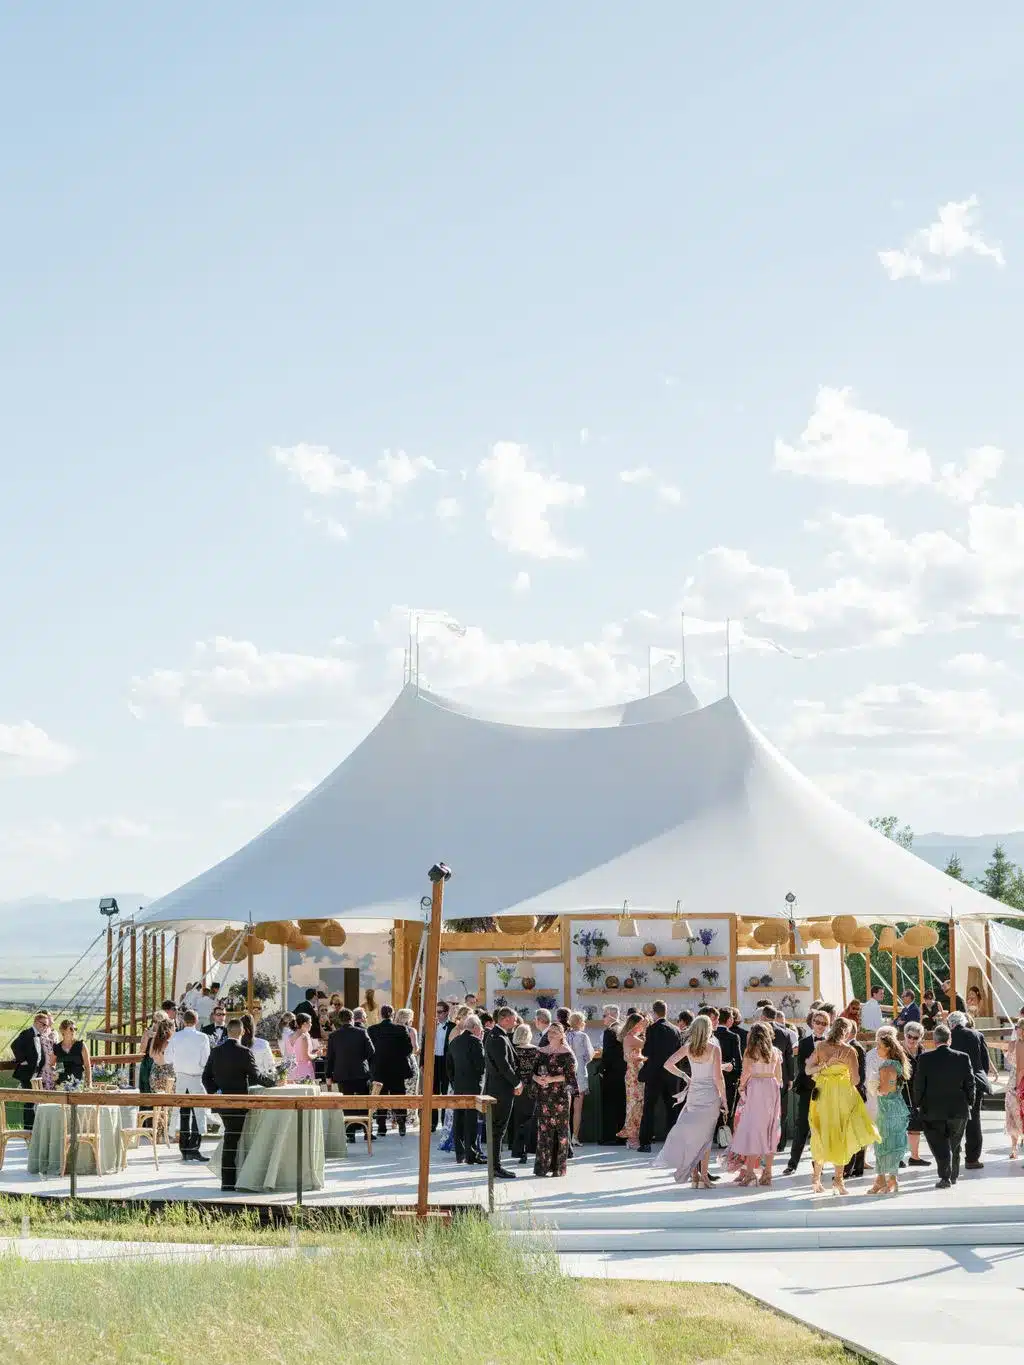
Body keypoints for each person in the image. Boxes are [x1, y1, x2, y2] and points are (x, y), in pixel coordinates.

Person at [807, 1017, 878, 1196]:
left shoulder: (821, 1047)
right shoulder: (849, 1051)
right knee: (842, 1133)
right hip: (843, 1095)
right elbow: (855, 1079)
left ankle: (816, 1179)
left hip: (822, 1094)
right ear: (846, 1032)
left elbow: (808, 1070)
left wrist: (825, 1066)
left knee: (821, 1132)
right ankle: (838, 1181)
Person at [655, 1015, 727, 1188]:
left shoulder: (689, 1048)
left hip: (694, 1094)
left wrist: (686, 1077)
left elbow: (668, 1064)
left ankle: (695, 1176)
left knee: (693, 1136)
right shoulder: (714, 1048)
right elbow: (718, 1077)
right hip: (710, 1094)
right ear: (709, 1030)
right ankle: (704, 1177)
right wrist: (724, 1099)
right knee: (706, 1137)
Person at [913, 1022, 975, 1188]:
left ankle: (945, 1177)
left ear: (934, 1041)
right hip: (958, 1108)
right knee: (955, 1144)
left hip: (932, 1109)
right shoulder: (963, 1057)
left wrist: (917, 1103)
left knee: (939, 1144)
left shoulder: (924, 1059)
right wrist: (970, 1102)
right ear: (950, 1040)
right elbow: (970, 1083)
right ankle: (953, 1175)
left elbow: (919, 1084)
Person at [201, 1018, 259, 1191]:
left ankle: (229, 1179)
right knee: (231, 1140)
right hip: (238, 1103)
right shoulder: (244, 1052)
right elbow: (256, 1077)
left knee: (230, 1138)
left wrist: (216, 1092)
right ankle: (228, 1181)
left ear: (227, 1031)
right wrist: (274, 1082)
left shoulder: (216, 1051)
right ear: (242, 1032)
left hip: (222, 1102)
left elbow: (206, 1077)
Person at [728, 1021, 783, 1187]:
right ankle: (768, 1173)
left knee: (753, 1129)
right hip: (771, 1088)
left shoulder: (750, 1052)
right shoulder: (775, 1051)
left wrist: (741, 1088)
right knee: (771, 1129)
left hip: (756, 1088)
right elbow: (779, 1077)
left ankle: (750, 1172)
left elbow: (745, 1074)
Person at [784, 1009, 829, 1176]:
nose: (820, 1026)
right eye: (817, 1022)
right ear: (812, 1023)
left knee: (821, 1128)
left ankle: (819, 1165)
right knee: (801, 1126)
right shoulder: (803, 1043)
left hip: (825, 1090)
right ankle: (792, 1163)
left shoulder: (831, 1043)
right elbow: (802, 1069)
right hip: (807, 1090)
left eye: (824, 1023)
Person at [532, 1021, 578, 1177]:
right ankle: (542, 1167)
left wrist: (552, 1079)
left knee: (561, 1132)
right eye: (550, 1032)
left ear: (562, 1035)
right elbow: (530, 1072)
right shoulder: (540, 1051)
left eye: (555, 1032)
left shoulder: (567, 1053)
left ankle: (558, 1168)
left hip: (561, 1097)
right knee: (543, 1131)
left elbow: (571, 1077)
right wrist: (537, 1079)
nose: (551, 1034)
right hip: (544, 1095)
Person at [948, 1010, 991, 1170]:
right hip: (975, 1081)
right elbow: (984, 1063)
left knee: (953, 1120)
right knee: (974, 1120)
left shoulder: (949, 1036)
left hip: (953, 1084)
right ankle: (972, 1159)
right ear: (964, 1022)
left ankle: (952, 1158)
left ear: (950, 1024)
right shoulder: (977, 1035)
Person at [165, 1009, 211, 1163]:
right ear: (196, 1021)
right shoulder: (202, 1037)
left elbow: (168, 1058)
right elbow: (206, 1060)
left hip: (181, 1077)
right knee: (198, 1113)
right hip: (196, 1077)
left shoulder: (176, 1037)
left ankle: (184, 1148)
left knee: (183, 1114)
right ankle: (193, 1148)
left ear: (184, 1021)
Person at [483, 1006, 523, 1180]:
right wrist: (517, 1082)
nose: (515, 1022)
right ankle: (496, 1167)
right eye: (514, 1019)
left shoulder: (497, 1035)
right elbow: (503, 1065)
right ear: (505, 1019)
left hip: (498, 1088)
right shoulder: (498, 1037)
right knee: (498, 1129)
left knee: (497, 1129)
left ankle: (495, 1165)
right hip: (500, 1090)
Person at [637, 1001, 681, 1153]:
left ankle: (645, 1143)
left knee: (649, 1108)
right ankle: (673, 1142)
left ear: (654, 1012)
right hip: (670, 1074)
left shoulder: (651, 1029)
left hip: (654, 1074)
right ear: (666, 1011)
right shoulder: (675, 1030)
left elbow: (647, 1051)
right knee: (672, 1108)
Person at [871, 1027, 910, 1194]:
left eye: (879, 1046)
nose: (877, 1049)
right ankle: (881, 1179)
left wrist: (874, 1087)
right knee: (886, 1143)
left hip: (889, 1109)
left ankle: (891, 1180)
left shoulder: (888, 1065)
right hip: (895, 1107)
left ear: (887, 1048)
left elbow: (887, 1089)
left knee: (886, 1143)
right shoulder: (896, 1063)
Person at [369, 1003, 415, 1137]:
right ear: (393, 1015)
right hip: (397, 1069)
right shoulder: (401, 1029)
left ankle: (382, 1126)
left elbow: (370, 1051)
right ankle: (401, 1124)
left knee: (381, 1097)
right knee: (399, 1096)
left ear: (380, 1015)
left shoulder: (372, 1030)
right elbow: (408, 1049)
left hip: (379, 1069)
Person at [446, 1013, 486, 1163]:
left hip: (458, 1086)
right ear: (475, 1028)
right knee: (471, 1120)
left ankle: (460, 1153)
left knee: (459, 1119)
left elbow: (448, 1067)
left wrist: (454, 1082)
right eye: (480, 1028)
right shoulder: (476, 1042)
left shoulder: (454, 1042)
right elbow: (481, 1066)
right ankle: (471, 1154)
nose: (481, 1031)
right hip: (473, 1086)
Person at [760, 1005, 795, 1151]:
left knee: (764, 1110)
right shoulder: (785, 1033)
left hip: (762, 1076)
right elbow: (789, 1057)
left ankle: (765, 1141)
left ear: (763, 1016)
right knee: (782, 1110)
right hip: (782, 1077)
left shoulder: (759, 1032)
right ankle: (781, 1142)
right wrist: (791, 1077)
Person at [11, 1011, 52, 1128]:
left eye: (47, 1025)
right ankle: (28, 1128)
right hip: (26, 1074)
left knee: (34, 1101)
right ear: (35, 1022)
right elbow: (14, 1045)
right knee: (29, 1101)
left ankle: (33, 1127)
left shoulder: (39, 1035)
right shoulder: (27, 1033)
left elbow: (38, 1054)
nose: (45, 1027)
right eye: (43, 1024)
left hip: (35, 1073)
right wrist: (22, 1060)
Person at [509, 1022, 540, 1162]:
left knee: (518, 1120)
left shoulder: (513, 1050)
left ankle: (519, 1150)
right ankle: (530, 1147)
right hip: (533, 1087)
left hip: (517, 1088)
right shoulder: (536, 1050)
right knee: (531, 1119)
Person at [901, 1021, 930, 1167]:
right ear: (905, 1035)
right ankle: (898, 1157)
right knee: (899, 1126)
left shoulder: (921, 1050)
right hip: (901, 1091)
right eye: (909, 1036)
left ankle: (915, 1157)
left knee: (915, 1126)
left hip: (917, 1092)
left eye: (915, 1038)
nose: (912, 1040)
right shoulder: (898, 1051)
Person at [597, 1006, 627, 1145]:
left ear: (611, 1016)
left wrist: (601, 1070)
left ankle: (609, 1136)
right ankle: (622, 1135)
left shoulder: (609, 1031)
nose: (602, 1018)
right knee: (622, 1105)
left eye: (604, 1015)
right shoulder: (624, 1029)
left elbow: (607, 1055)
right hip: (624, 1072)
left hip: (611, 1073)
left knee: (609, 1105)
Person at [424, 1002, 455, 1132]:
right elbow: (424, 1043)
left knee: (445, 1093)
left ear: (447, 1012)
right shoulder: (431, 1025)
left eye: (440, 1012)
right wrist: (423, 1063)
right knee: (432, 1092)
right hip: (433, 1061)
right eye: (436, 1012)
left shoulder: (453, 1027)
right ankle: (433, 1122)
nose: (437, 1015)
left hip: (446, 1062)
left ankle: (444, 1121)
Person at [617, 1012, 646, 1148]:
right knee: (634, 1105)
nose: (642, 1026)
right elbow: (646, 1045)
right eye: (641, 1024)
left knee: (638, 1105)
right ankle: (632, 1138)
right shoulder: (630, 1038)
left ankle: (634, 1136)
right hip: (633, 1074)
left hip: (636, 1073)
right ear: (635, 1024)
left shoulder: (631, 1037)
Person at [565, 1012, 594, 1144]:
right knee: (577, 1108)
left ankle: (564, 1136)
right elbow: (589, 1055)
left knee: (565, 1107)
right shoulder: (583, 1036)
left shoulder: (564, 1035)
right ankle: (575, 1137)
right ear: (581, 1022)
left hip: (566, 1073)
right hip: (580, 1072)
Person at [998, 1018, 1024, 1158]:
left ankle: (1014, 1149)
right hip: (1015, 1082)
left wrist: (1017, 1087)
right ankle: (1014, 1148)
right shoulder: (1014, 1043)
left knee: (1014, 1116)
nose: (1015, 1029)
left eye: (1017, 1027)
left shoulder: (1017, 1044)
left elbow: (1020, 1069)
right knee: (1015, 1116)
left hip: (1016, 1083)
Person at [714, 1009, 742, 1121]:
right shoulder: (733, 1036)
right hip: (729, 1077)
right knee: (728, 1109)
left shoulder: (711, 1034)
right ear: (729, 1020)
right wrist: (738, 1076)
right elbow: (738, 1059)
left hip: (711, 1076)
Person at [52, 1020, 92, 1087]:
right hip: (61, 1084)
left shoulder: (80, 1045)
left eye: (75, 1029)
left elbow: (87, 1066)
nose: (73, 1031)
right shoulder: (57, 1047)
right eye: (71, 1029)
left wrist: (89, 1083)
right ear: (63, 1030)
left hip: (78, 1083)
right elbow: (52, 1064)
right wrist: (54, 1072)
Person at [240, 1013, 276, 1081]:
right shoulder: (263, 1044)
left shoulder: (235, 1044)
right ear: (253, 1027)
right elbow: (270, 1066)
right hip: (259, 1082)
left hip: (240, 1084)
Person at [290, 1014, 321, 1082]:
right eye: (310, 1022)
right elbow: (306, 1057)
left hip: (293, 1070)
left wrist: (313, 1053)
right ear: (304, 1024)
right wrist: (317, 1055)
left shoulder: (292, 1035)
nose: (311, 1024)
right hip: (304, 1070)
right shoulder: (304, 1037)